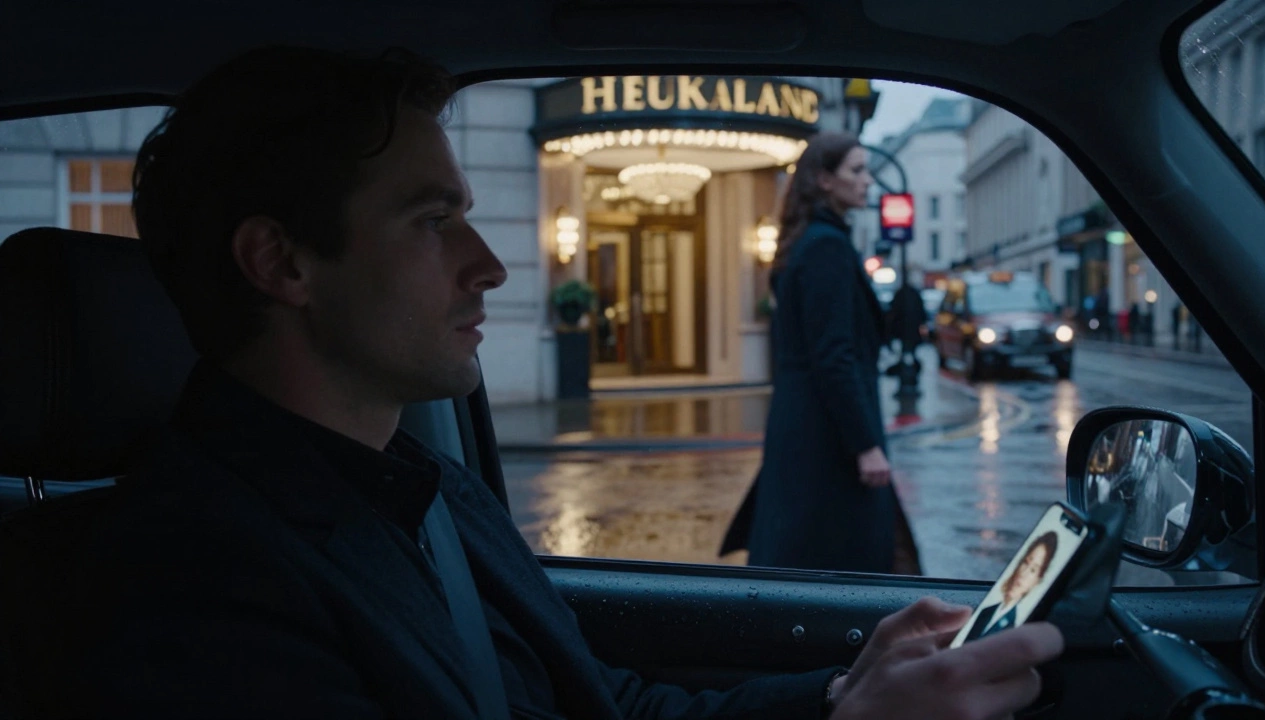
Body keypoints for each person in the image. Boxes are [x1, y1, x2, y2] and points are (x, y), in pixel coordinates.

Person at [48, 47, 1062, 719]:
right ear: (282, 264)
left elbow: (602, 704)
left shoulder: (425, 492)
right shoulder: (192, 591)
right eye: (430, 219)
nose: (489, 264)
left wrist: (847, 692)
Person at [722, 133, 919, 575]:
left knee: (809, 557)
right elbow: (833, 355)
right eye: (857, 170)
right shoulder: (826, 246)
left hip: (809, 426)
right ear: (825, 180)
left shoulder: (812, 241)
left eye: (866, 169)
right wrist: (865, 445)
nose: (868, 181)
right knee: (842, 565)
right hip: (826, 437)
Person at [964, 532, 1059, 643]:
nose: (1024, 573)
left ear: (1037, 580)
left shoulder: (1014, 627)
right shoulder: (985, 612)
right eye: (1026, 562)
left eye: (1033, 570)